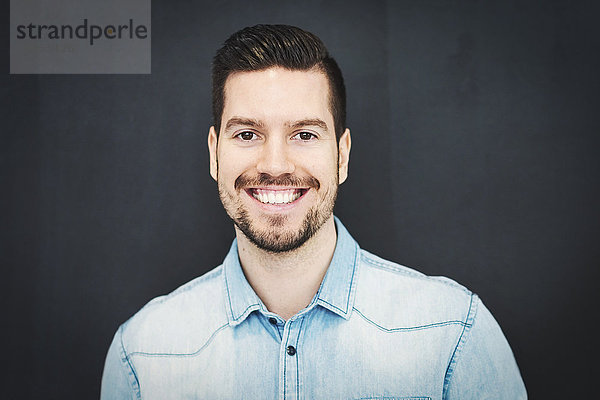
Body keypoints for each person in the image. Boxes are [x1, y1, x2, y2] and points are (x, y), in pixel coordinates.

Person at [101, 24, 526, 399]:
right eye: (247, 133)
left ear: (342, 155)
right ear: (214, 154)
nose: (275, 165)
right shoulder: (140, 354)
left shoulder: (454, 334)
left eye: (304, 134)